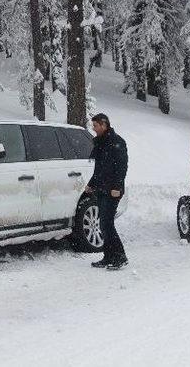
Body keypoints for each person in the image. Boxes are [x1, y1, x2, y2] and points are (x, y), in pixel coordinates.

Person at [85, 113, 129, 270]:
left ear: (104, 125)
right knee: (103, 224)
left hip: (113, 190)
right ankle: (108, 256)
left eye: (96, 126)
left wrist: (117, 187)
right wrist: (91, 184)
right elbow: (99, 169)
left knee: (107, 223)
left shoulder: (117, 142)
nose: (94, 129)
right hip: (102, 188)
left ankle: (120, 256)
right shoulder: (101, 143)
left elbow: (122, 167)